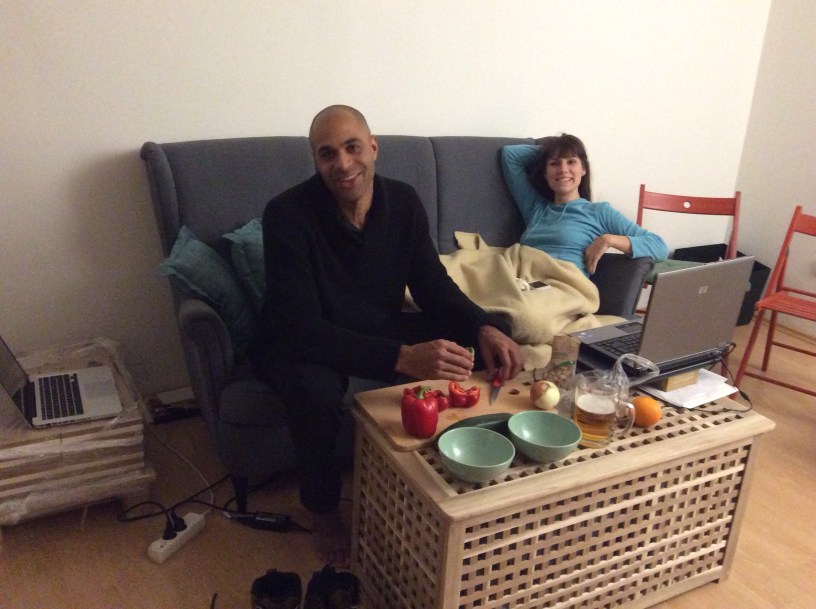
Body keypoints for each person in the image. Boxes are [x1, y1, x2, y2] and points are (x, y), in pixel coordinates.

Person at [251, 105, 524, 565]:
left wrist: (485, 325)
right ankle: (322, 509)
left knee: (492, 332)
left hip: (372, 325)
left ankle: (458, 454)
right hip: (300, 340)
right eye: (327, 154)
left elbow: (432, 285)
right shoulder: (286, 214)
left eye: (352, 147)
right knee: (313, 391)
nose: (343, 163)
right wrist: (402, 357)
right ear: (316, 161)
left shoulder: (403, 201)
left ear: (373, 147)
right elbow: (302, 328)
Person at [501, 134, 668, 275]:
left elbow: (659, 247)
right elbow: (510, 155)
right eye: (554, 163)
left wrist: (608, 240)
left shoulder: (598, 212)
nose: (563, 169)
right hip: (524, 282)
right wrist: (551, 150)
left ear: (583, 169)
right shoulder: (535, 207)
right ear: (545, 173)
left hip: (565, 288)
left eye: (571, 162)